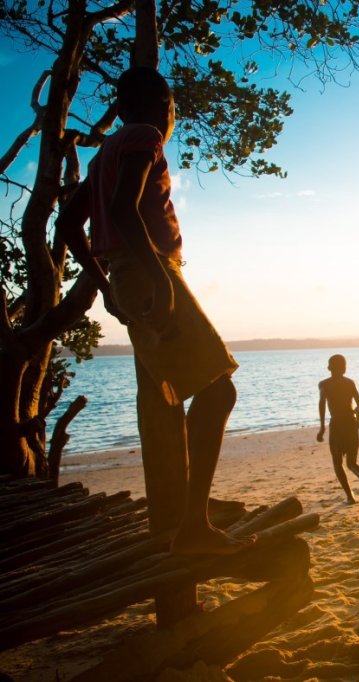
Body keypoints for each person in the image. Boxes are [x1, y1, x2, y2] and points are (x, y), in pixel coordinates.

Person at [55, 67, 250, 556]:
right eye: (171, 109)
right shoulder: (143, 137)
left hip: (129, 278)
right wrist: (159, 276)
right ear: (164, 109)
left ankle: (187, 509)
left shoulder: (103, 157)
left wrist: (104, 286)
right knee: (218, 388)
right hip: (151, 273)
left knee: (170, 399)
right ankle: (193, 525)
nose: (171, 118)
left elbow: (67, 225)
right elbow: (123, 209)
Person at [318, 354, 359, 503]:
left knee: (337, 463)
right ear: (344, 368)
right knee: (352, 462)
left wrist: (322, 427)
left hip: (336, 425)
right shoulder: (350, 383)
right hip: (351, 424)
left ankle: (350, 497)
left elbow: (322, 404)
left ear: (329, 367)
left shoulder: (324, 384)